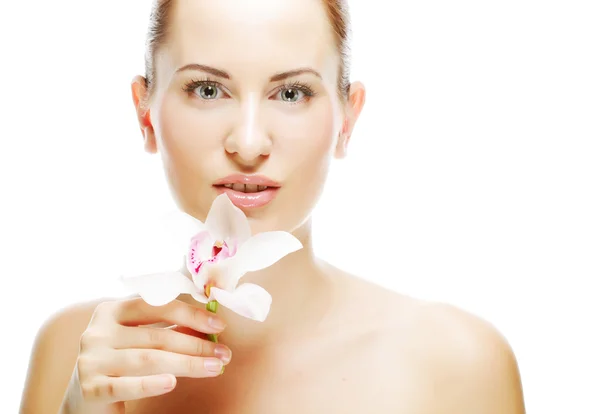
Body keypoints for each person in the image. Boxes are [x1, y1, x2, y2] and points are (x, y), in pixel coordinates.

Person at [20, 0, 526, 413]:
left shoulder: (457, 364)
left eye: (291, 92)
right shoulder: (79, 352)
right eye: (207, 88)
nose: (247, 142)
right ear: (145, 114)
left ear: (348, 120)